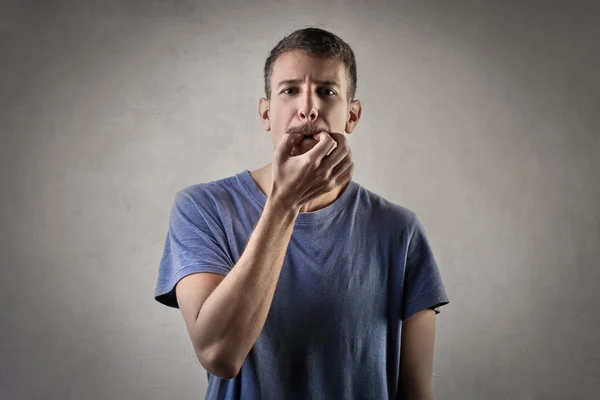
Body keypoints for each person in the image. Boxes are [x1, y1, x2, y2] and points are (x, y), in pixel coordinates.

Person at [154, 27, 450, 400]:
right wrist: (284, 204)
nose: (307, 108)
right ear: (265, 112)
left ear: (352, 116)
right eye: (290, 90)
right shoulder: (203, 208)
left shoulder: (399, 230)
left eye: (327, 91)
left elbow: (416, 393)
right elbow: (218, 354)